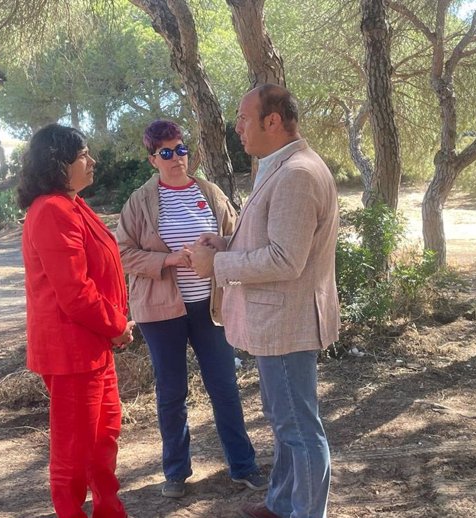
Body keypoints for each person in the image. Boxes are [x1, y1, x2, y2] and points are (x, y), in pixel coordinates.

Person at [189, 84, 340, 518]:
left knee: (299, 429)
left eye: (242, 117)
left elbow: (285, 259)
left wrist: (217, 265)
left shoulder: (296, 174)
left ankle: (305, 512)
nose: (236, 127)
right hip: (279, 322)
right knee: (285, 421)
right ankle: (281, 503)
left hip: (287, 324)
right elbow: (276, 239)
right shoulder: (281, 166)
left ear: (272, 121)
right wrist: (225, 243)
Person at [115, 120, 265, 499]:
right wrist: (168, 261)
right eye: (166, 153)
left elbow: (237, 237)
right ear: (153, 160)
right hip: (161, 313)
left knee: (225, 387)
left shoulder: (209, 192)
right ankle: (176, 473)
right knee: (171, 392)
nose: (176, 158)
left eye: (180, 149)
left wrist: (217, 251)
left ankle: (243, 466)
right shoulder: (140, 201)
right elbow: (124, 253)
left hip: (210, 308)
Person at [17, 123, 135, 518]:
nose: (92, 160)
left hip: (94, 345)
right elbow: (75, 293)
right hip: (72, 351)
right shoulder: (51, 210)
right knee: (74, 449)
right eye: (84, 154)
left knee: (104, 436)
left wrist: (114, 325)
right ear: (59, 163)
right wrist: (117, 325)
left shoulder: (72, 204)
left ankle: (108, 509)